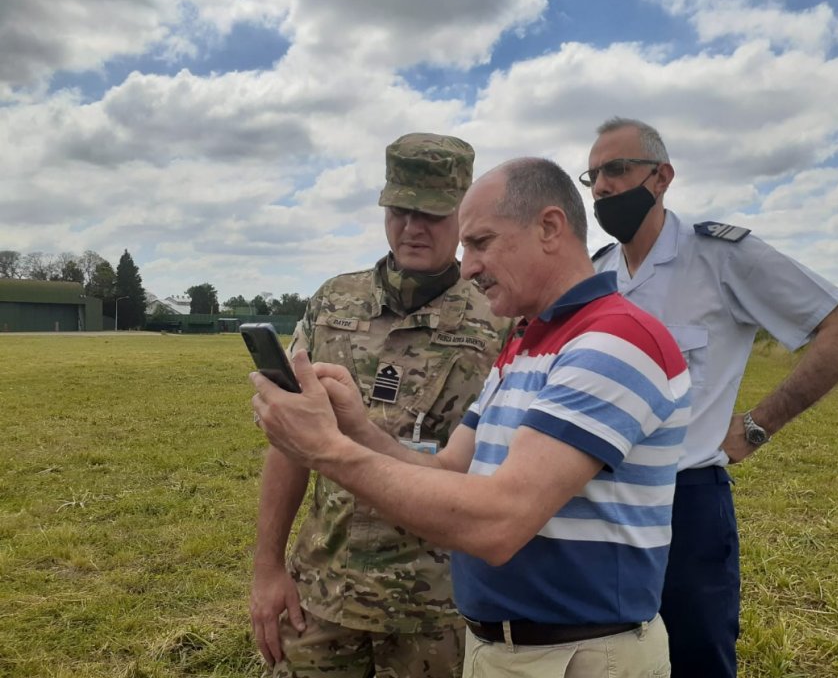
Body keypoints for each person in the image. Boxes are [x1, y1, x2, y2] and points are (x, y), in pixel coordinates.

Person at [250, 157, 692, 678]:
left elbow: (499, 522)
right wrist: (356, 428)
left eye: (480, 243)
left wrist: (325, 448)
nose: (468, 268)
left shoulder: (613, 342)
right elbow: (449, 469)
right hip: (511, 648)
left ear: (550, 227)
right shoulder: (528, 345)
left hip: (578, 656)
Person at [583, 117, 838, 678]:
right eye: (593, 176)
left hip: (686, 504)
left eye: (617, 170)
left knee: (696, 658)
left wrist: (756, 426)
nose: (602, 187)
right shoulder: (598, 275)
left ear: (662, 177)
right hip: (600, 505)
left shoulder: (720, 256)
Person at [250, 132, 509, 678]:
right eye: (399, 210)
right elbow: (292, 445)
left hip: (439, 608)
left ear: (463, 215)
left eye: (433, 213)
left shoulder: (499, 317)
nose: (412, 227)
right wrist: (268, 568)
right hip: (324, 591)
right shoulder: (333, 303)